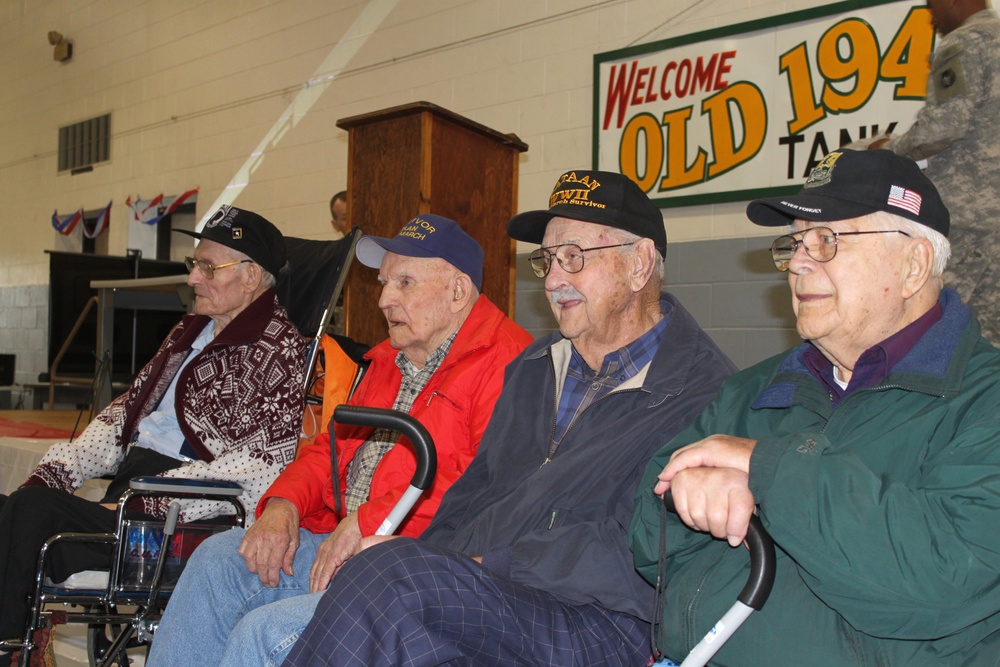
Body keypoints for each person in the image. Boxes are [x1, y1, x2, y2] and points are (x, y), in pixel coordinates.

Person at [283, 170, 736, 667]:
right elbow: (474, 494)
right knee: (379, 579)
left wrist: (476, 566)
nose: (555, 279)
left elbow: (640, 550)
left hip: (605, 622)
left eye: (574, 257)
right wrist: (435, 560)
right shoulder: (536, 367)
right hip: (500, 595)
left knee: (389, 582)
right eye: (548, 259)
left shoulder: (704, 392)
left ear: (639, 264)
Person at [630, 149, 1000, 665]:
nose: (798, 262)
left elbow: (948, 575)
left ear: (913, 264)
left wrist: (766, 471)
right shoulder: (755, 389)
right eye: (796, 243)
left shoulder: (985, 402)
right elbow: (650, 542)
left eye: (827, 240)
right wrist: (686, 498)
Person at [146, 214, 533, 667]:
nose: (385, 299)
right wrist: (282, 506)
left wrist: (367, 522)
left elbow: (480, 485)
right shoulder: (387, 357)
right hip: (340, 537)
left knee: (265, 634)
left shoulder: (510, 362)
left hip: (417, 561)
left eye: (404, 283)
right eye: (384, 282)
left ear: (457, 291)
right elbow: (327, 449)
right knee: (218, 561)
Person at [0, 205, 307, 665]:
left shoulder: (279, 352)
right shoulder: (191, 331)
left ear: (250, 277)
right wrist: (55, 473)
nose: (192, 279)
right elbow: (121, 419)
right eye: (194, 264)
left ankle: (10, 653)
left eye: (208, 267)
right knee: (22, 505)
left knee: (29, 515)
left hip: (169, 523)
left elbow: (260, 471)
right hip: (130, 498)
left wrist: (142, 504)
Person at [872, 0, 1000, 343]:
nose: (932, 18)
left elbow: (943, 127)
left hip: (971, 222)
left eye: (931, 7)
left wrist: (887, 151)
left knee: (946, 331)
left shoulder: (966, 41)